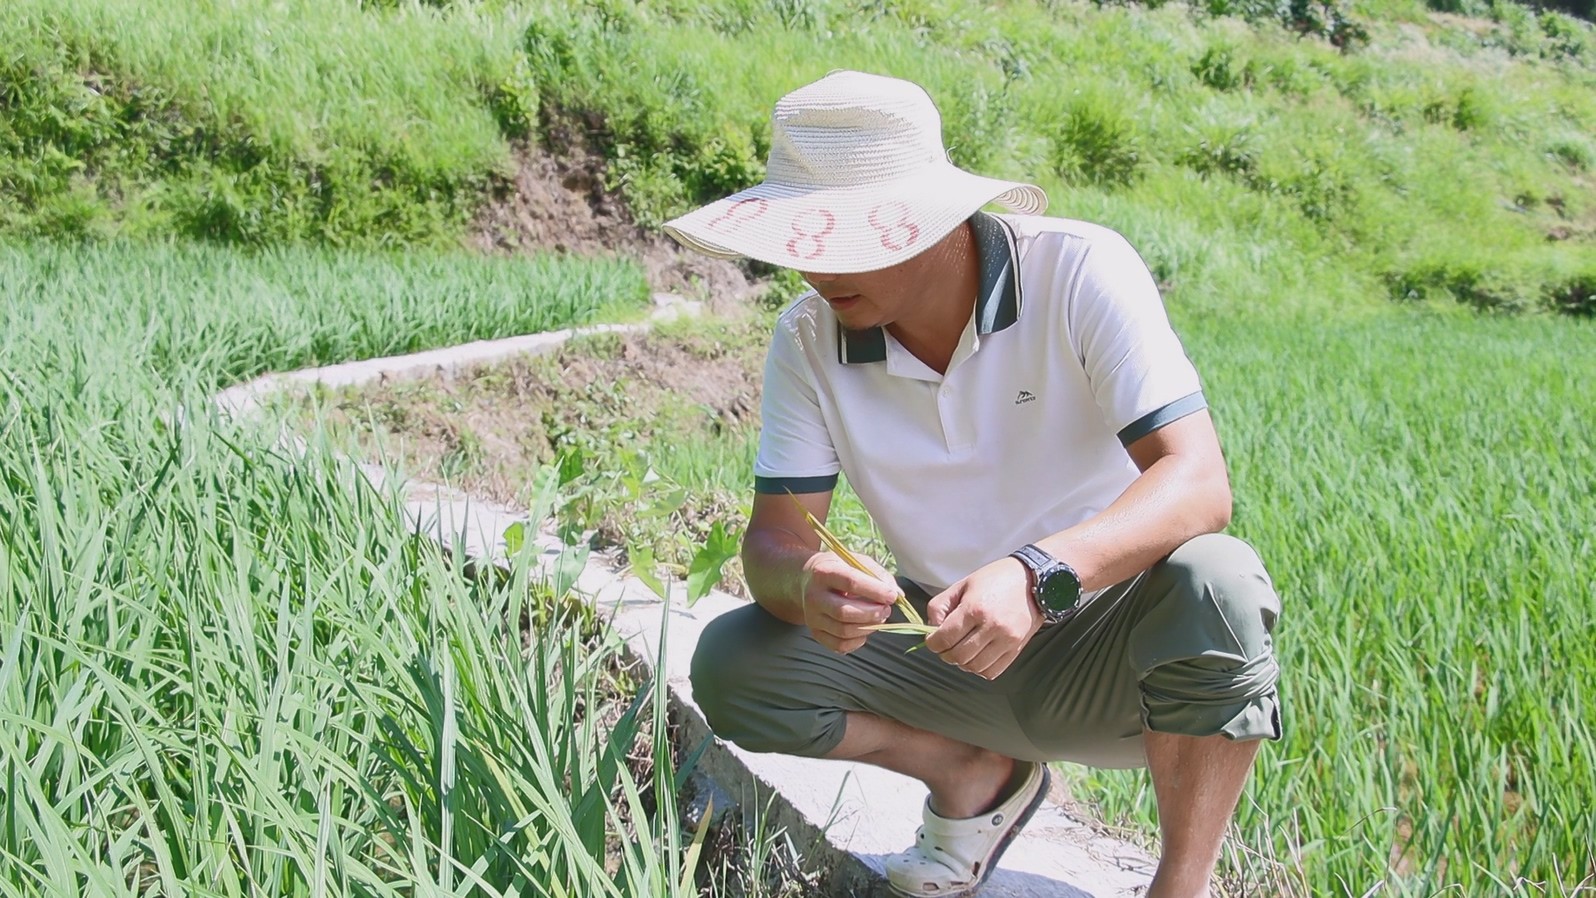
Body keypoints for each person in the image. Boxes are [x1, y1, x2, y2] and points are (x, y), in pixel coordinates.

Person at [663, 70, 1282, 898]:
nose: (815, 272)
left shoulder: (1077, 272)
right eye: (802, 242)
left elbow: (1198, 480)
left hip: (1109, 652)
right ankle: (972, 774)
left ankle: (1181, 884)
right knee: (738, 665)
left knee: (1222, 580)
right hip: (942, 647)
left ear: (930, 219)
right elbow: (775, 538)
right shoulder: (808, 340)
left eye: (846, 240)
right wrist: (803, 582)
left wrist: (1037, 574)